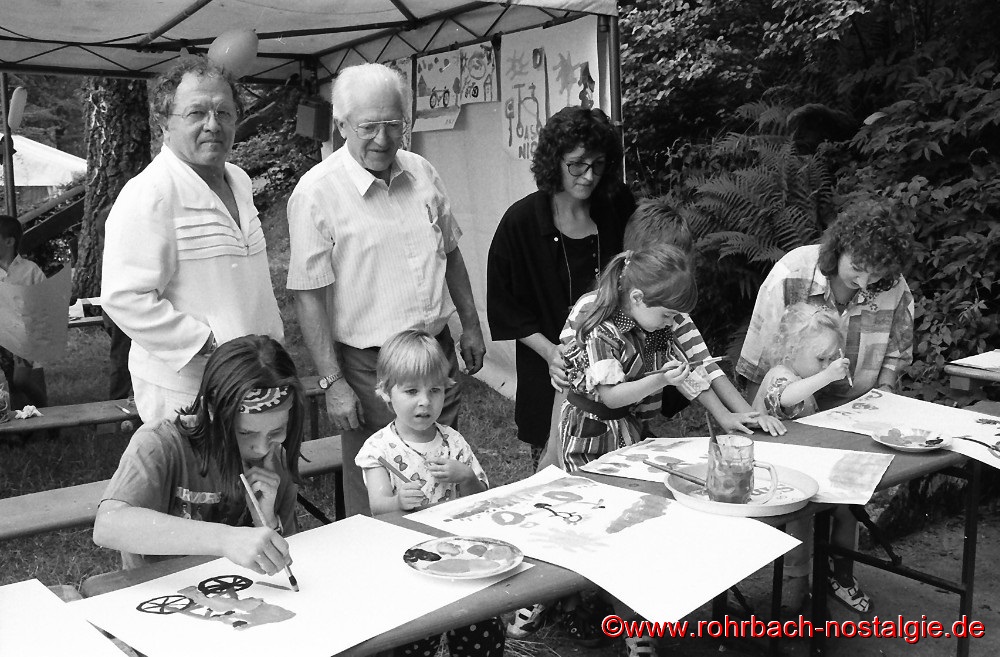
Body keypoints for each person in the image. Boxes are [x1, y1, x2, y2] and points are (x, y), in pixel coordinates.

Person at [287, 62, 485, 518]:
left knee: (441, 466)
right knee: (379, 482)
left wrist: (471, 325)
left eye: (394, 124)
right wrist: (333, 382)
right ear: (341, 125)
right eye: (368, 127)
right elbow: (309, 294)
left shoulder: (422, 172)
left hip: (433, 353)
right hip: (369, 366)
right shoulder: (316, 193)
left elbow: (451, 252)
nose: (383, 138)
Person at [101, 56, 284, 424]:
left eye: (224, 112)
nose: (212, 125)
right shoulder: (150, 193)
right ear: (164, 123)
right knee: (201, 465)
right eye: (196, 113)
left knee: (258, 463)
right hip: (188, 390)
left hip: (255, 376)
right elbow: (124, 298)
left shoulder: (239, 180)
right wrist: (208, 343)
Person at [486, 106, 635, 466]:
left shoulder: (617, 206)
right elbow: (505, 306)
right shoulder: (521, 222)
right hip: (550, 374)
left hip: (616, 370)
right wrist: (551, 352)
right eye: (577, 165)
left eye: (598, 164)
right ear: (554, 160)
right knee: (552, 475)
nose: (589, 176)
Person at [93, 335, 303, 574]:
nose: (262, 448)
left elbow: (291, 556)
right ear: (211, 411)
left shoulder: (276, 459)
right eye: (245, 433)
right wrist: (226, 539)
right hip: (161, 587)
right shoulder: (162, 443)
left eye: (276, 431)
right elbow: (108, 525)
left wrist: (265, 521)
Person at [355, 329, 502, 657]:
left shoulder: (453, 441)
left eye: (434, 390)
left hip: (459, 554)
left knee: (480, 627)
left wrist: (465, 476)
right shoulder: (379, 449)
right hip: (407, 560)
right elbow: (378, 507)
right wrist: (397, 501)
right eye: (411, 391)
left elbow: (480, 500)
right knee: (416, 638)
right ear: (386, 392)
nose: (424, 401)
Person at [737, 195, 915, 408]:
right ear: (840, 248)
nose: (864, 283)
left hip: (859, 409)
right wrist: (757, 418)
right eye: (857, 268)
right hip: (791, 406)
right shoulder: (791, 274)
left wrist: (885, 393)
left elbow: (896, 355)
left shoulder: (894, 286)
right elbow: (757, 364)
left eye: (876, 274)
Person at [753, 303, 870, 613]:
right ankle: (796, 595)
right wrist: (827, 376)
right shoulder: (781, 375)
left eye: (832, 358)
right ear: (790, 352)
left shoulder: (802, 374)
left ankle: (841, 574)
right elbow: (785, 398)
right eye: (821, 359)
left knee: (847, 508)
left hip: (802, 468)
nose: (827, 365)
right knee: (801, 525)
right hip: (774, 477)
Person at [0, 214, 48, 411]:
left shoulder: (30, 271)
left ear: (9, 241)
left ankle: (50, 416)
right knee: (12, 389)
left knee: (22, 381)